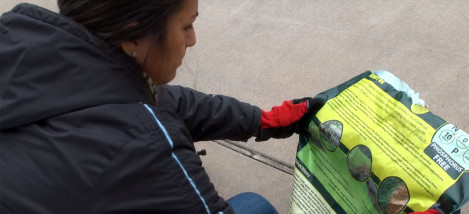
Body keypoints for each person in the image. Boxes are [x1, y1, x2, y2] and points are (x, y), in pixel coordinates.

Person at [0, 0, 322, 213]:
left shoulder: (24, 43)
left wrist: (261, 120)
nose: (193, 39)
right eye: (185, 26)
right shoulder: (142, 146)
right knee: (255, 207)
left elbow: (159, 99)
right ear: (133, 34)